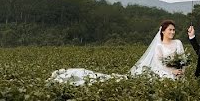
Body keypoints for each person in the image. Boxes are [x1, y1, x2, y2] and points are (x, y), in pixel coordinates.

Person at [49, 20, 185, 85]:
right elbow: (158, 63)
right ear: (163, 31)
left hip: (178, 76)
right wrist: (171, 72)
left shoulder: (178, 43)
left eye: (173, 30)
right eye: (170, 30)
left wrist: (181, 71)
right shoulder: (159, 46)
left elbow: (183, 60)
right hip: (164, 74)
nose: (172, 32)